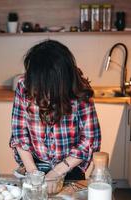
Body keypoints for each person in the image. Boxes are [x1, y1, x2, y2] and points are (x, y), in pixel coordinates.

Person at [10, 40, 101, 181]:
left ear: (57, 82)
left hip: (70, 167)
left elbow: (89, 140)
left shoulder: (80, 91)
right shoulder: (24, 86)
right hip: (35, 164)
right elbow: (19, 134)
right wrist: (34, 174)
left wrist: (57, 172)